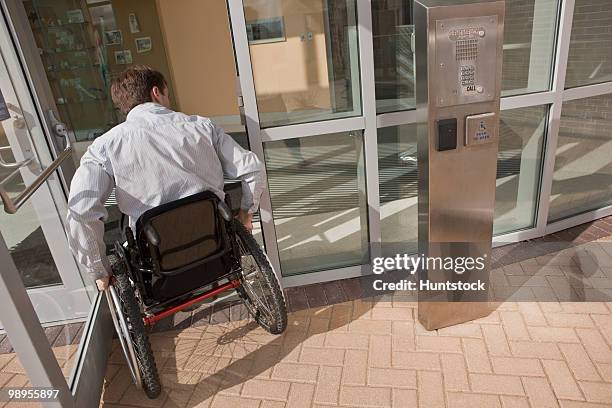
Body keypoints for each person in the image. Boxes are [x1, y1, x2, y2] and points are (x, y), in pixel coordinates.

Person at [65, 65, 265, 292]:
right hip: (215, 244)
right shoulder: (201, 126)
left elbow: (81, 212)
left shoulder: (105, 147)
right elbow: (252, 168)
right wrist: (246, 214)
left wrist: (99, 270)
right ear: (156, 93)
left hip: (157, 261)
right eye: (167, 94)